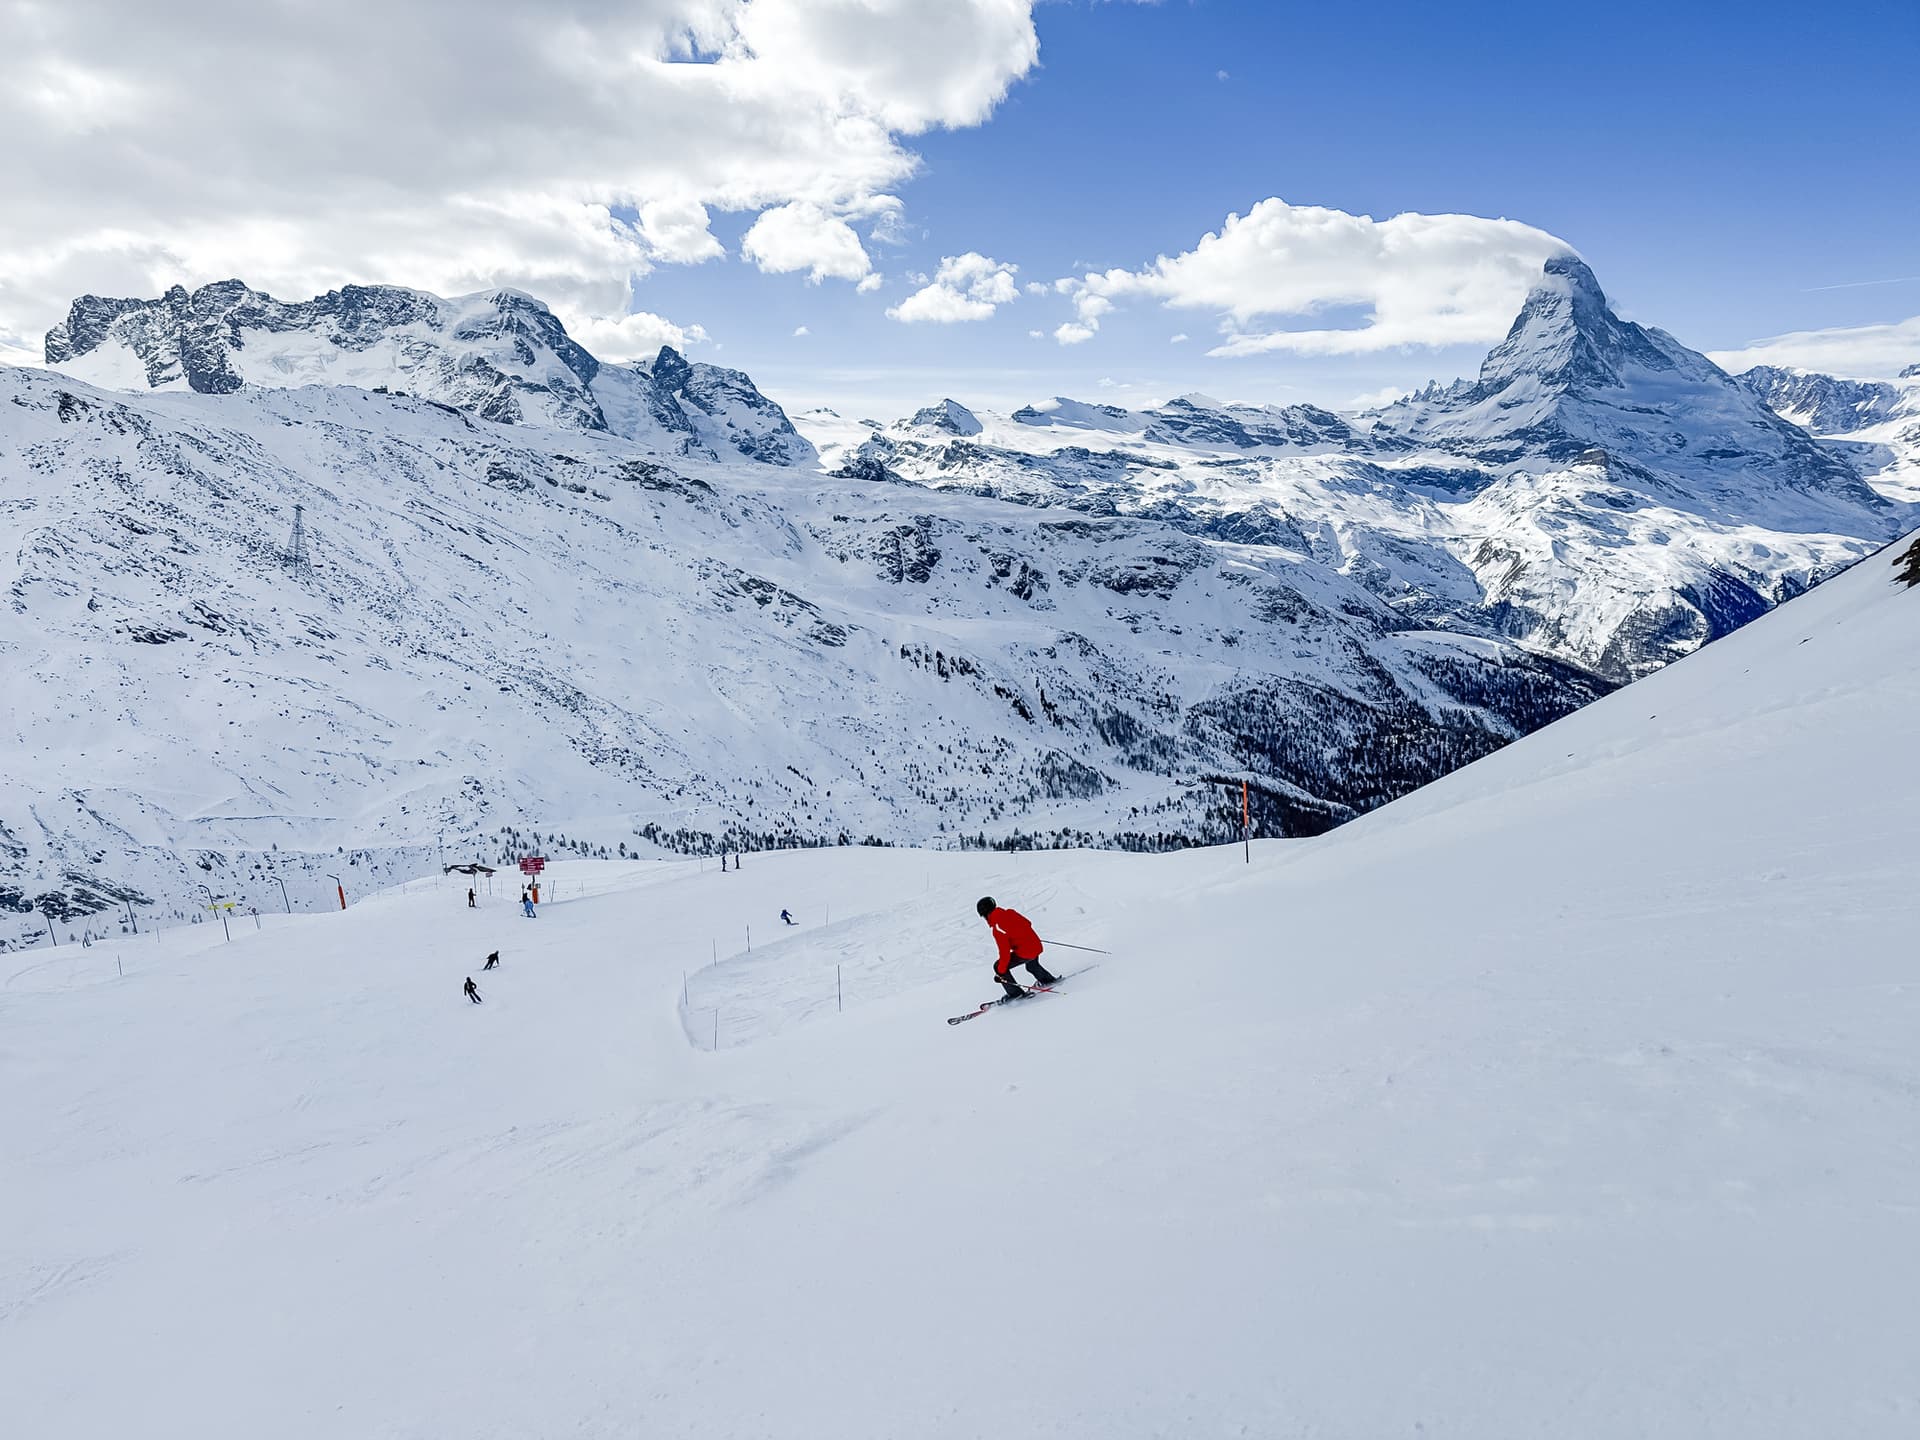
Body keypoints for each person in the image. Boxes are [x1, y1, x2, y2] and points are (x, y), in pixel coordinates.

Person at [977, 896, 1059, 999]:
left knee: (998, 966)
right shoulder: (1010, 912)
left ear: (985, 915)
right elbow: (1027, 923)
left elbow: (1004, 953)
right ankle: (1047, 980)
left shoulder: (997, 928)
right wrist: (1020, 939)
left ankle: (1016, 994)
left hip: (1026, 951)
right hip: (1036, 945)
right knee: (1031, 966)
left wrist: (1001, 973)